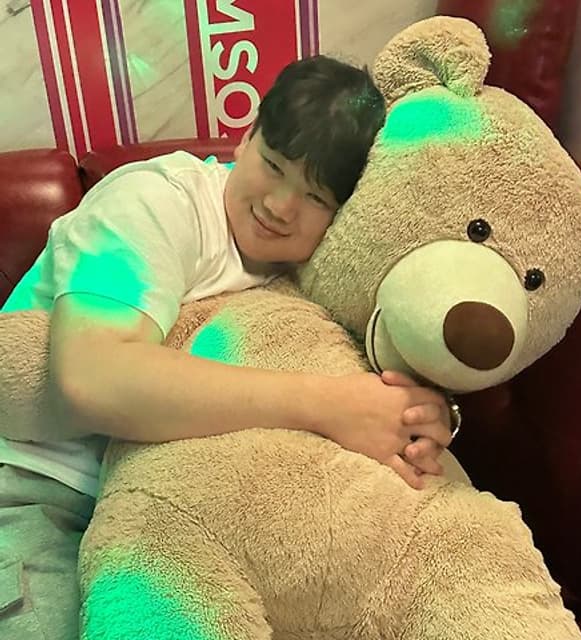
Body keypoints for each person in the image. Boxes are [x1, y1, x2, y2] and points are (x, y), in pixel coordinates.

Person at [0, 55, 456, 639]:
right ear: (245, 136)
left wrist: (422, 416)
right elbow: (92, 376)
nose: (280, 206)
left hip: (190, 510)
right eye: (273, 165)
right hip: (36, 488)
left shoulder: (325, 265)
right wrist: (328, 405)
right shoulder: (156, 203)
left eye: (317, 197)